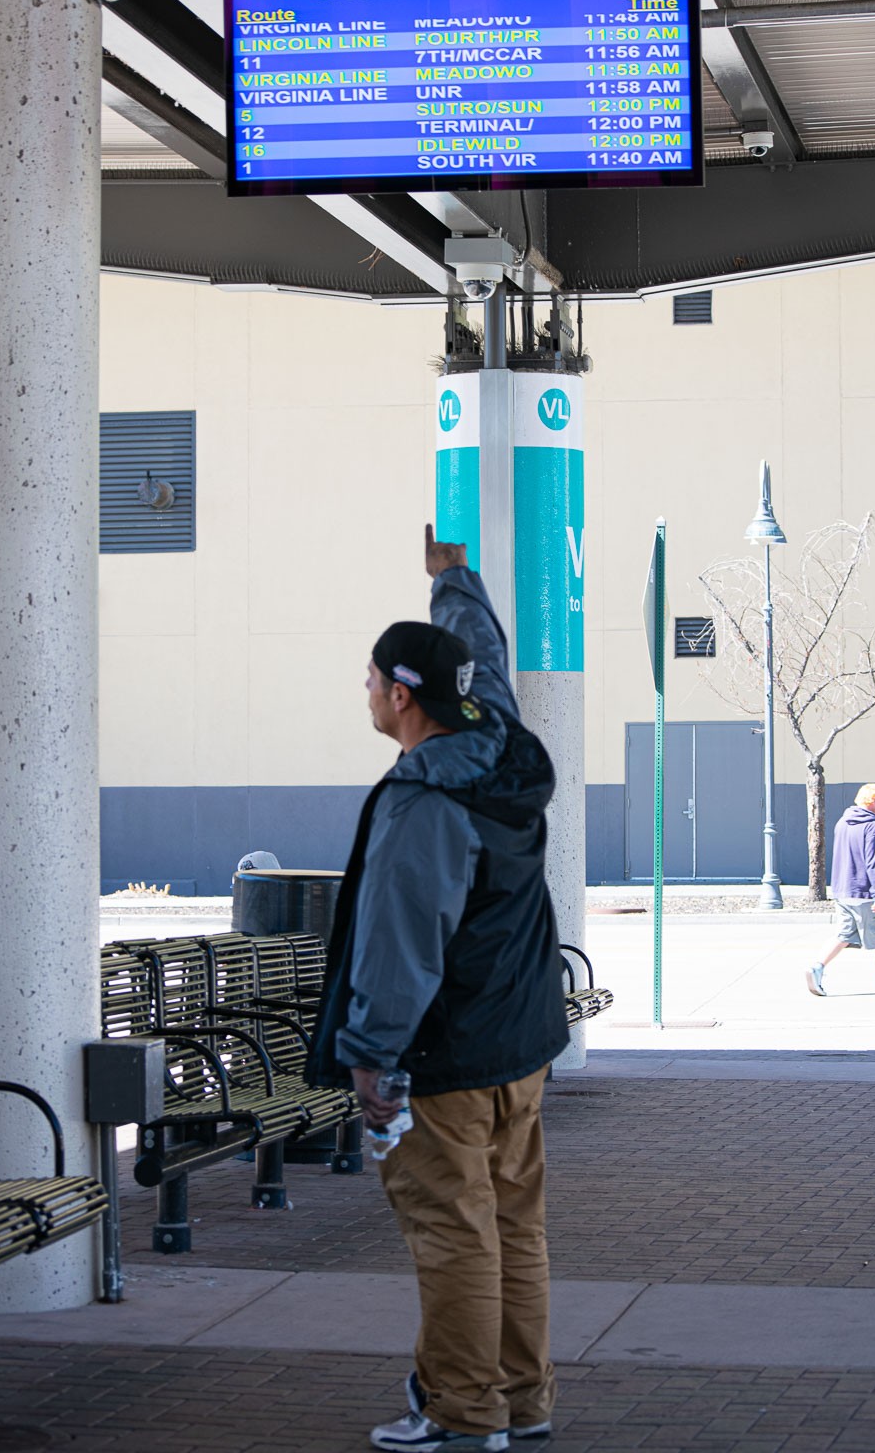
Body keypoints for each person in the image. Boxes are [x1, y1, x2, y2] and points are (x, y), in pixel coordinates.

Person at [307, 524, 569, 1453]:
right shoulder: (498, 742)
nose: (367, 693)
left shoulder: (424, 803)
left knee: (455, 1236)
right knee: (513, 1229)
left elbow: (400, 943)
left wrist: (373, 1058)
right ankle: (523, 1403)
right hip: (521, 1040)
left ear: (403, 696)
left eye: (374, 680)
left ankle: (465, 1415)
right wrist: (453, 580)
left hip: (445, 1060)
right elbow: (483, 664)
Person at [806, 782, 875, 996]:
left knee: (843, 934)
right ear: (873, 802)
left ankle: (816, 968)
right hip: (865, 892)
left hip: (843, 892)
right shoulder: (871, 827)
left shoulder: (843, 822)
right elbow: (874, 862)